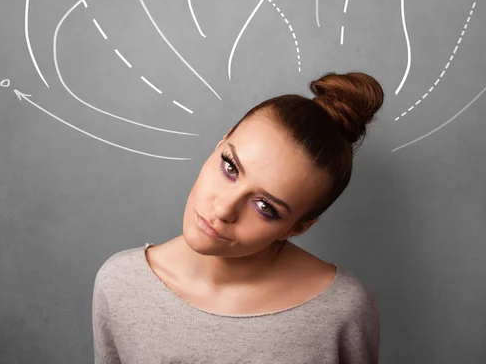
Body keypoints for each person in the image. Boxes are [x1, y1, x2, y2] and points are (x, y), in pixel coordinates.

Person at [92, 71, 385, 363]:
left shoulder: (342, 311)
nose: (222, 210)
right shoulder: (121, 284)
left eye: (265, 207)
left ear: (297, 228)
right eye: (230, 167)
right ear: (219, 145)